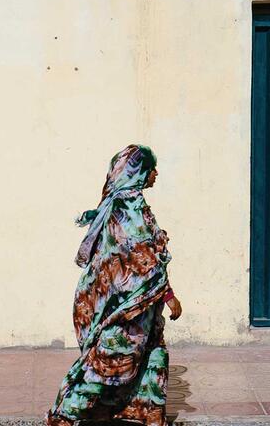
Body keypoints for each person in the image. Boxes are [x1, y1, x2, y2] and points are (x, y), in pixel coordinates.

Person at [46, 144, 182, 426]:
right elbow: (143, 259)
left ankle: (151, 412)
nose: (155, 174)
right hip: (124, 305)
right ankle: (65, 415)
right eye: (150, 169)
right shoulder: (126, 209)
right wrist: (168, 295)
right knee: (109, 360)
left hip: (130, 302)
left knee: (151, 352)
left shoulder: (117, 205)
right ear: (136, 173)